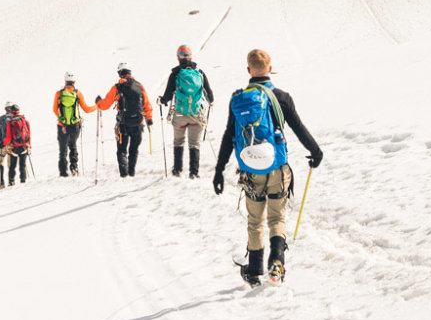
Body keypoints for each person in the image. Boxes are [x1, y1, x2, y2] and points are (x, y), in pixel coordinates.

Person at [212, 48, 325, 286]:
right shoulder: (282, 97)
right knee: (277, 217)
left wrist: (219, 170)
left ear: (248, 70)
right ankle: (277, 262)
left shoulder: (238, 98)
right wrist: (315, 151)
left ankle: (254, 270)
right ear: (270, 68)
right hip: (277, 168)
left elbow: (228, 136)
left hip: (251, 170)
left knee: (255, 221)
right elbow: (298, 128)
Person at [158, 45, 213, 177]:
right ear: (190, 57)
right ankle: (194, 173)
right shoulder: (200, 73)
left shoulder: (175, 74)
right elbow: (210, 96)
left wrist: (162, 101)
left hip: (180, 114)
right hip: (197, 114)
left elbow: (167, 95)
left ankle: (177, 170)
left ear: (178, 58)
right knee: (194, 143)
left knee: (178, 141)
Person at [95, 66, 153, 176]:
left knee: (122, 150)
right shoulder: (139, 86)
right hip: (138, 122)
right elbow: (147, 104)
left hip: (123, 123)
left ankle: (124, 174)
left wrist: (98, 102)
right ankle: (131, 173)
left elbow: (105, 104)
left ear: (120, 73)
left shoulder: (117, 87)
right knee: (134, 150)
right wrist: (149, 119)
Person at [51, 75, 94, 177]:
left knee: (62, 150)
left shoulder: (59, 94)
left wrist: (62, 119)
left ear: (65, 81)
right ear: (74, 82)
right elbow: (87, 109)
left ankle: (63, 172)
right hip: (75, 125)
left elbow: (54, 109)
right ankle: (74, 168)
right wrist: (97, 105)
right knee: (73, 146)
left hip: (62, 125)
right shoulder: (78, 93)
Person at [0, 102, 31, 187]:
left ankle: (1, 183)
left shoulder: (0, 119)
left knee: (0, 162)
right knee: (11, 165)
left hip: (2, 144)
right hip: (13, 145)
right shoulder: (21, 119)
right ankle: (11, 182)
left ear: (5, 109)